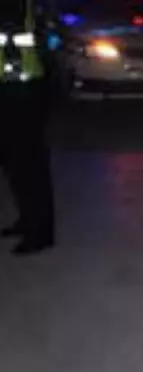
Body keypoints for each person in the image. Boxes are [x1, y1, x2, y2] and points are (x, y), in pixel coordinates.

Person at [0, 0, 55, 256]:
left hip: (20, 89)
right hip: (15, 88)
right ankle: (28, 221)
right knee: (15, 164)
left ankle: (39, 232)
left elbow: (12, 38)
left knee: (28, 165)